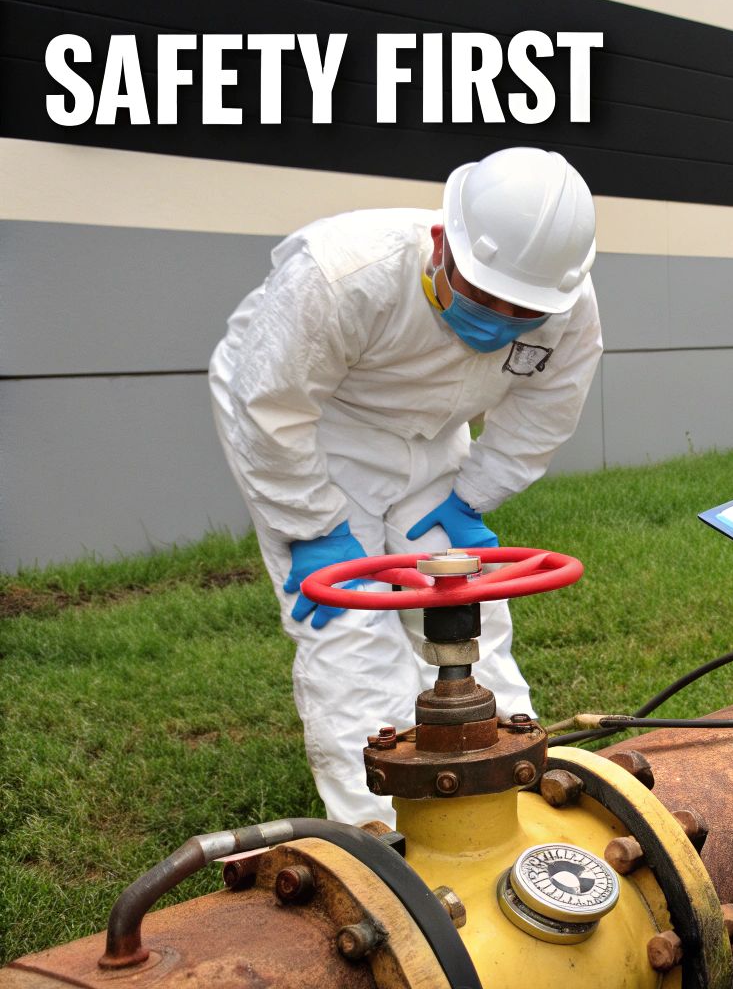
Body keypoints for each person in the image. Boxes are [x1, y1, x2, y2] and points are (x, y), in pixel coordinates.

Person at [209, 147, 603, 825]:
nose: (500, 318)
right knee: (351, 623)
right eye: (484, 298)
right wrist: (312, 526)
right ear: (442, 243)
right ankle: (385, 830)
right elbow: (273, 408)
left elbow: (546, 411)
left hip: (434, 428)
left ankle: (514, 790)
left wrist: (474, 494)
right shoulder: (343, 272)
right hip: (318, 428)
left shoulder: (563, 301)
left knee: (466, 600)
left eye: (521, 312)